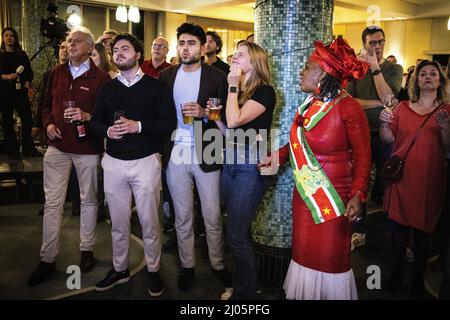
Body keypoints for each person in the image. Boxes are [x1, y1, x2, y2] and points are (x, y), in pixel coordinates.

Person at [259, 38, 371, 300]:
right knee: (304, 253)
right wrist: (276, 157)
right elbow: (298, 143)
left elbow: (365, 156)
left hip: (335, 200)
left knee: (331, 259)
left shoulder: (348, 106)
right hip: (306, 196)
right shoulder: (310, 104)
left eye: (307, 66)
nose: (301, 71)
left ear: (323, 73)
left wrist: (358, 193)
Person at [90, 33, 175, 296]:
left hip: (145, 162)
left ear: (138, 54)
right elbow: (94, 122)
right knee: (118, 222)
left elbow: (168, 124)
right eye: (115, 50)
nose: (118, 53)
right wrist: (106, 132)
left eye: (125, 49)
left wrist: (137, 126)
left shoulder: (156, 86)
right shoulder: (108, 88)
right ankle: (120, 269)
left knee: (149, 222)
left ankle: (153, 270)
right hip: (113, 162)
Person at [27, 26, 111, 286]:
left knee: (88, 201)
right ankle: (47, 258)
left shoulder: (102, 79)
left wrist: (88, 117)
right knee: (52, 203)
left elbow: (106, 115)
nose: (70, 44)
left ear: (89, 48)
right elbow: (44, 104)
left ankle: (87, 250)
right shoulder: (54, 74)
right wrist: (47, 123)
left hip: (87, 149)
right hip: (57, 147)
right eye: (68, 41)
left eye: (76, 41)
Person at [159, 22, 231, 291]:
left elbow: (225, 116)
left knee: (212, 213)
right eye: (181, 43)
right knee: (182, 215)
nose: (185, 48)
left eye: (191, 43)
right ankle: (187, 265)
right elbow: (160, 115)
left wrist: (204, 113)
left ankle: (218, 263)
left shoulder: (216, 77)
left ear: (202, 47)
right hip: (176, 149)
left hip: (208, 146)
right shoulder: (166, 76)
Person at [208, 41, 276, 300]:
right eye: (234, 54)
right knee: (239, 229)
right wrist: (211, 117)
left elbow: (235, 119)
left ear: (255, 62)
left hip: (251, 165)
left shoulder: (265, 92)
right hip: (231, 160)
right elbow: (231, 132)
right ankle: (248, 284)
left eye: (240, 55)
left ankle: (244, 295)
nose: (234, 58)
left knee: (236, 235)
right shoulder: (240, 93)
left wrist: (232, 84)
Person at [380, 59, 450, 299]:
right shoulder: (401, 108)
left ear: (440, 81)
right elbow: (389, 140)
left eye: (433, 74)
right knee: (398, 232)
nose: (428, 77)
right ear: (416, 81)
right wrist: (383, 125)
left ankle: (418, 281)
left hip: (430, 181)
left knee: (423, 235)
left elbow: (448, 148)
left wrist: (444, 129)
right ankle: (396, 275)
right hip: (402, 179)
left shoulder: (447, 111)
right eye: (423, 74)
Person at [346, 25, 403, 250]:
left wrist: (376, 68)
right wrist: (379, 103)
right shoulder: (356, 69)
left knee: (388, 186)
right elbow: (349, 101)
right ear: (364, 45)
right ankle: (358, 231)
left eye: (380, 42)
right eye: (372, 43)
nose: (377, 46)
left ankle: (393, 237)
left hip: (385, 135)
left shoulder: (394, 68)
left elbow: (391, 98)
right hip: (359, 134)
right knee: (358, 185)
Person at [0, 27, 41, 159]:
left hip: (20, 92)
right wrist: (7, 77)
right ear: (3, 38)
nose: (9, 38)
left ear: (15, 38)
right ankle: (12, 149)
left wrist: (27, 82)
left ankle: (28, 148)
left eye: (11, 35)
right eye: (6, 35)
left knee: (27, 119)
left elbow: (29, 72)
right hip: (5, 92)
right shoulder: (0, 55)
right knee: (7, 121)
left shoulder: (21, 54)